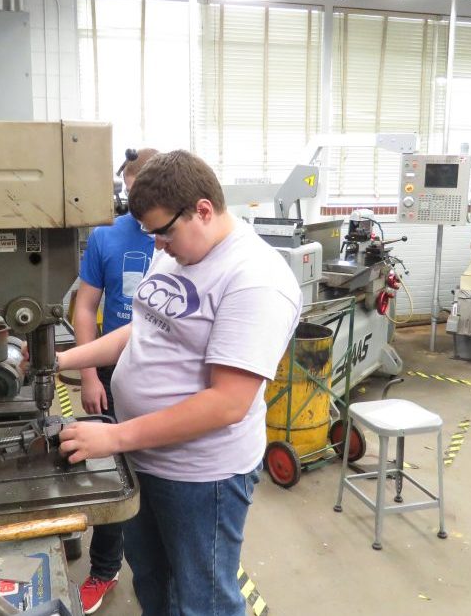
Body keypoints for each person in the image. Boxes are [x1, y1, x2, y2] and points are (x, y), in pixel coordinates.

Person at [55, 150, 301, 616]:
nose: (159, 245)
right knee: (151, 579)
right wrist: (64, 358)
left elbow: (226, 404)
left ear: (203, 210)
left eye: (164, 232)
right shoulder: (180, 251)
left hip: (199, 477)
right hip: (142, 458)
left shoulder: (256, 280)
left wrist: (113, 436)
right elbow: (143, 328)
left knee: (201, 598)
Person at [72, 147, 158, 614]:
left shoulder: (175, 240)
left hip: (162, 375)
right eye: (128, 190)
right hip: (110, 368)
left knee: (158, 475)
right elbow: (86, 307)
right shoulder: (107, 236)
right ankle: (104, 569)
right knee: (110, 473)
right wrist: (88, 374)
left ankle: (160, 570)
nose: (134, 201)